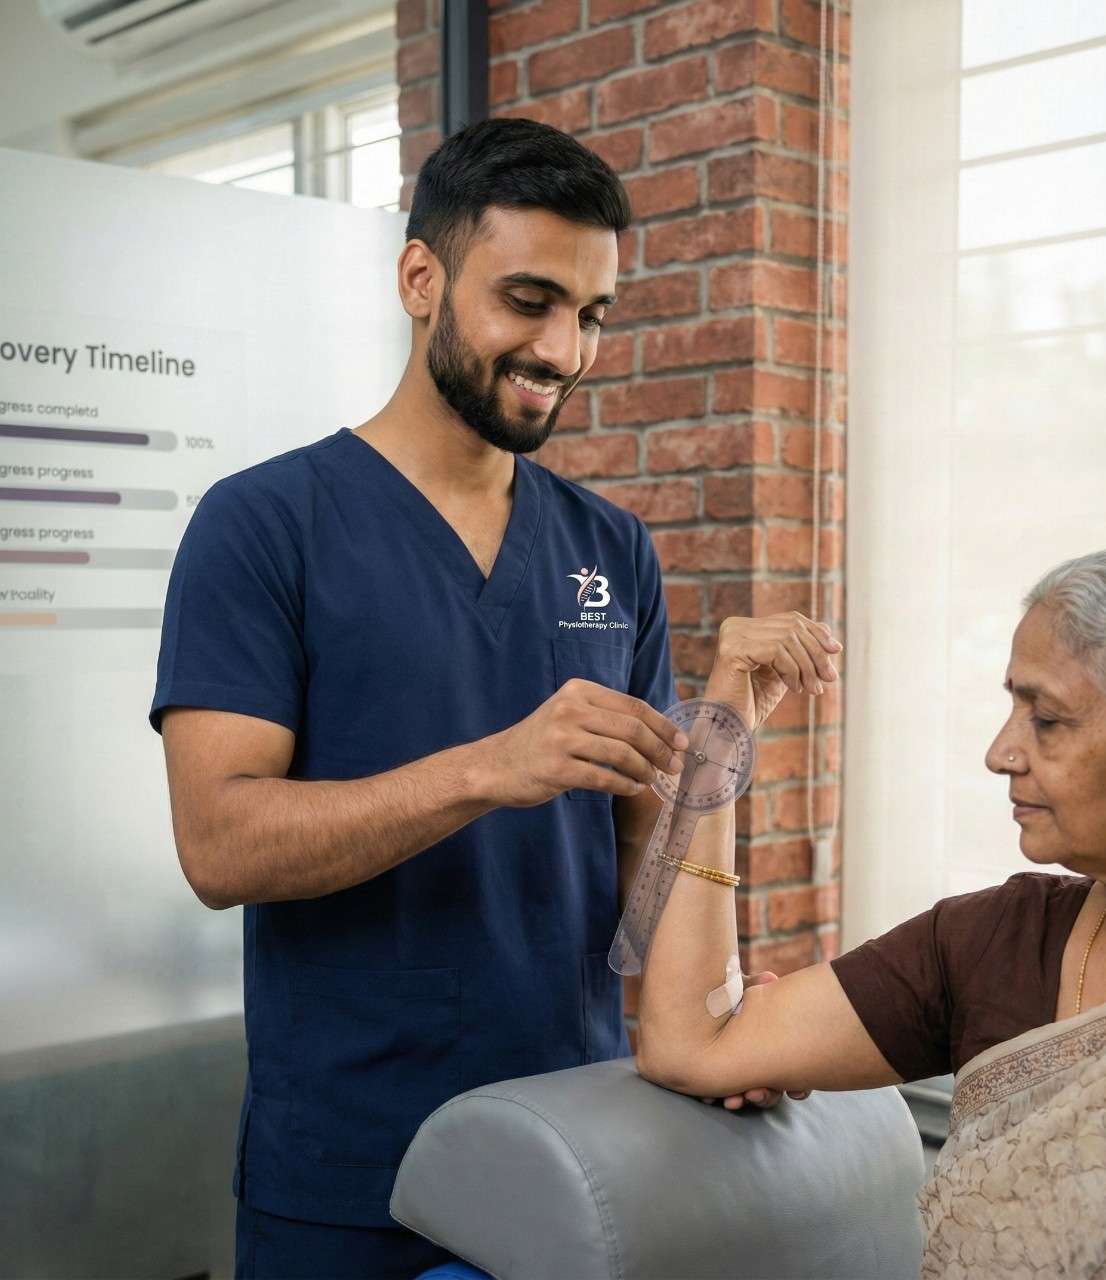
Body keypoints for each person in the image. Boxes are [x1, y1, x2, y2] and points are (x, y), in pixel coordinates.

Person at [150, 116, 766, 1279]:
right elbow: (218, 843)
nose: (562, 348)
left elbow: (645, 865)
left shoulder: (612, 549)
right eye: (526, 299)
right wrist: (494, 765)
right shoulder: (264, 525)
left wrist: (724, 996)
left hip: (574, 1152)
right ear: (420, 277)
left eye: (590, 314)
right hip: (349, 1168)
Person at [636, 548, 1106, 1278]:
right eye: (1012, 706)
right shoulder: (991, 943)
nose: (999, 752)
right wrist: (724, 726)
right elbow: (692, 1042)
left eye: (1045, 718)